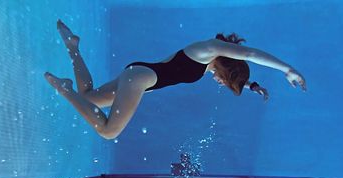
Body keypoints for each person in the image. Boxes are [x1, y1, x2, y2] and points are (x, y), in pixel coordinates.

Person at [45, 20, 306, 140]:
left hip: (137, 74)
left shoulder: (205, 66)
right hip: (139, 79)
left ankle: (72, 46)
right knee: (108, 130)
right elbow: (248, 53)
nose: (218, 82)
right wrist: (287, 69)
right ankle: (65, 89)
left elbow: (235, 68)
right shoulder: (208, 49)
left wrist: (252, 86)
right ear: (226, 65)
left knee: (90, 96)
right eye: (223, 80)